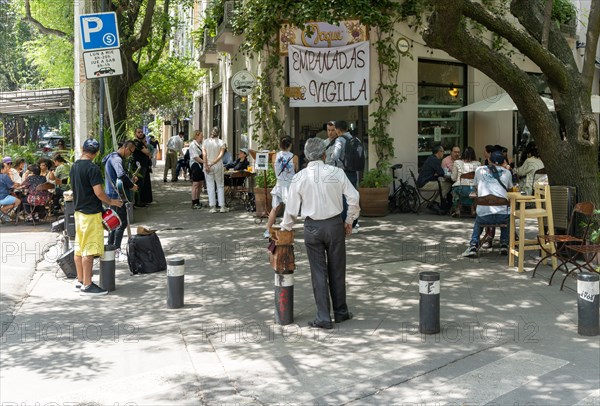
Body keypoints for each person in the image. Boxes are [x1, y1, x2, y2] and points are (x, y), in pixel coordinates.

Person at [280, 138, 359, 329]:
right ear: (325, 154)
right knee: (338, 269)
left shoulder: (299, 177)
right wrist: (349, 221)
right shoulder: (337, 172)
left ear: (307, 157)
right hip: (334, 226)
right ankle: (340, 312)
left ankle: (324, 316)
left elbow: (291, 209)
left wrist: (285, 229)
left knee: (318, 272)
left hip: (312, 228)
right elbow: (354, 197)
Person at [70, 139, 123, 296]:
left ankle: (80, 280)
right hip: (91, 214)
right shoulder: (92, 168)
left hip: (79, 212)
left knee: (79, 248)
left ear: (82, 149)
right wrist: (112, 201)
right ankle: (88, 285)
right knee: (90, 249)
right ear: (97, 153)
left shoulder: (74, 166)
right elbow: (99, 192)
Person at [462, 150, 513, 258]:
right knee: (507, 214)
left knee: (479, 217)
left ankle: (473, 245)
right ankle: (504, 244)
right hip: (501, 217)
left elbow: (476, 187)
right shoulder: (507, 173)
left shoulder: (479, 170)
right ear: (503, 161)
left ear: (489, 160)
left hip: (484, 216)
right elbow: (509, 188)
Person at [102, 141, 138, 254]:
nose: (130, 155)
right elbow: (121, 175)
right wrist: (132, 186)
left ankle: (110, 247)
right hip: (116, 195)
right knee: (121, 223)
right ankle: (116, 249)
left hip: (112, 193)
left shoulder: (111, 157)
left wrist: (130, 179)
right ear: (126, 148)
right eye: (130, 152)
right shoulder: (117, 159)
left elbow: (119, 177)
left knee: (114, 222)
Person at [264, 136, 298, 239]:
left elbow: (275, 170)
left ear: (280, 145)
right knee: (289, 209)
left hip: (279, 185)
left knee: (274, 209)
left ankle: (267, 230)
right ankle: (286, 229)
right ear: (290, 145)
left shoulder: (275, 156)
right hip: (290, 186)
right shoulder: (294, 157)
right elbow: (296, 170)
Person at [417, 144, 452, 214]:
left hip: (423, 182)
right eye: (442, 151)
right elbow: (441, 172)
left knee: (443, 184)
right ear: (438, 152)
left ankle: (435, 202)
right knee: (448, 185)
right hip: (425, 183)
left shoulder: (431, 158)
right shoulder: (434, 160)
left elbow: (438, 173)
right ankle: (435, 203)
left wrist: (436, 174)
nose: (443, 153)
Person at [202, 126, 229, 213]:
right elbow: (221, 155)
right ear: (219, 133)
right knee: (220, 185)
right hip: (217, 165)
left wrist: (206, 164)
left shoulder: (205, 142)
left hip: (208, 165)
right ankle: (222, 206)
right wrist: (213, 163)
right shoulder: (221, 142)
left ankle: (212, 207)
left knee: (210, 186)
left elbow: (204, 154)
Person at [450, 146, 480, 216]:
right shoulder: (478, 164)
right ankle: (473, 209)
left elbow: (453, 178)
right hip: (474, 191)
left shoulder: (457, 162)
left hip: (461, 189)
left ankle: (457, 209)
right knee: (471, 189)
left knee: (455, 190)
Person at [132, 127, 153, 207]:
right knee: (139, 183)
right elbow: (147, 152)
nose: (140, 133)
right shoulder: (136, 143)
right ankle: (137, 201)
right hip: (139, 166)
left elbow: (148, 152)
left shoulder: (141, 143)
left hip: (144, 165)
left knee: (142, 183)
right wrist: (147, 151)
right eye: (138, 132)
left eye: (141, 132)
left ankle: (140, 200)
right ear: (135, 134)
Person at [188, 130, 205, 209]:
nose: (202, 137)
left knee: (200, 183)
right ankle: (194, 202)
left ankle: (197, 201)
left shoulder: (200, 144)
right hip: (195, 165)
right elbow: (195, 157)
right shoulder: (193, 145)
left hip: (201, 165)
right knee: (195, 184)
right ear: (196, 136)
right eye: (201, 135)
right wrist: (204, 162)